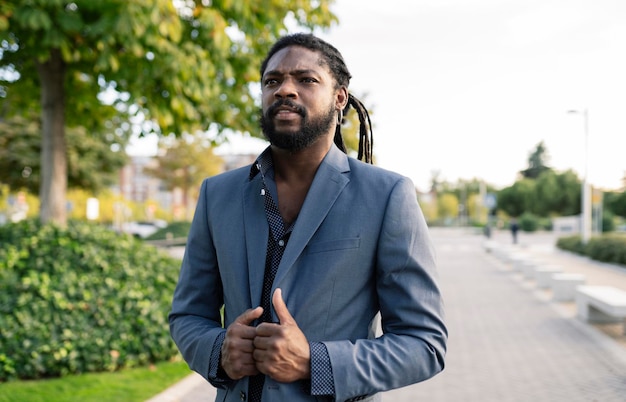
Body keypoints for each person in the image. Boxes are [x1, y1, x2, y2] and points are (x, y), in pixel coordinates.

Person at [169, 33, 447, 402]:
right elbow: (187, 316)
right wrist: (218, 351)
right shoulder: (216, 194)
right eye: (272, 81)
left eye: (306, 79)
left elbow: (424, 343)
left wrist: (315, 362)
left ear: (339, 98)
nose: (285, 89)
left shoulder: (387, 196)